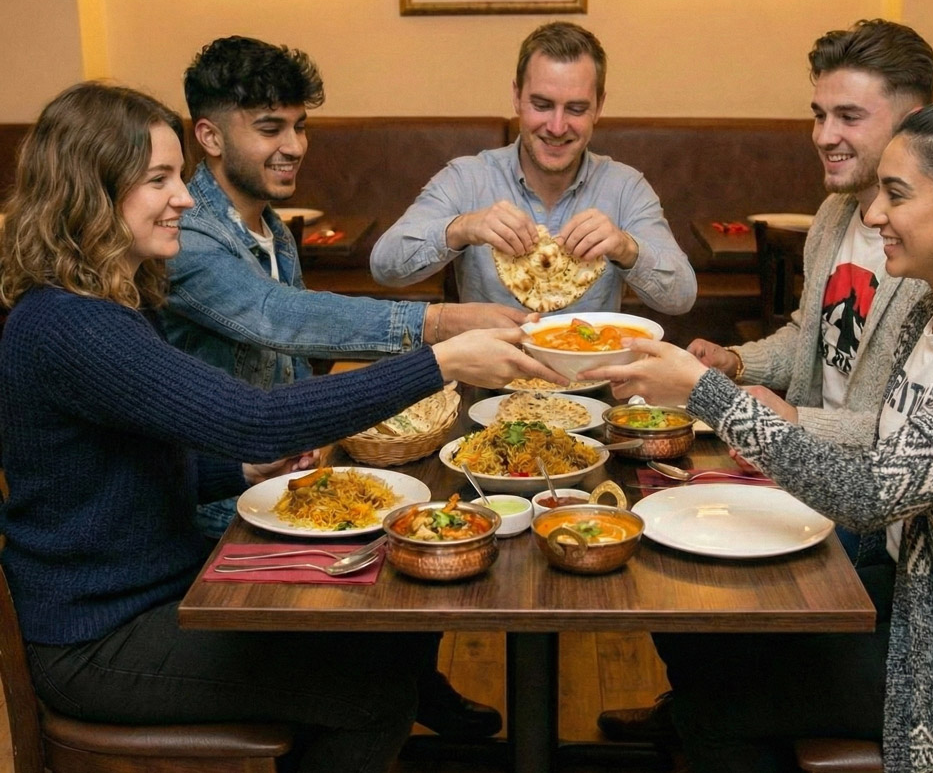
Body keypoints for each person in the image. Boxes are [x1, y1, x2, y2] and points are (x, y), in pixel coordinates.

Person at [0, 82, 563, 773]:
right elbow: (255, 420)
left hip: (158, 592)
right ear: (90, 192)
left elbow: (123, 466)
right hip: (98, 639)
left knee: (385, 632)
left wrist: (238, 471)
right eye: (158, 180)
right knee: (374, 692)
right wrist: (439, 360)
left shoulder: (105, 304)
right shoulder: (72, 324)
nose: (184, 198)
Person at [581, 83, 933, 773]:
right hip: (897, 583)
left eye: (897, 195)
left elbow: (873, 491)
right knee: (696, 626)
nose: (874, 214)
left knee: (711, 706)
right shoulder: (927, 313)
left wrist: (708, 394)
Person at [162, 35, 518, 737]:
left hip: (284, 482)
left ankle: (409, 681)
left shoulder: (269, 227)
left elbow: (293, 359)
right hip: (218, 513)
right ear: (209, 136)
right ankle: (384, 695)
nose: (294, 146)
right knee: (419, 542)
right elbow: (279, 318)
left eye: (300, 127)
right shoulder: (190, 238)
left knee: (432, 508)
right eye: (271, 128)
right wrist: (439, 322)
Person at [599, 17, 933, 744]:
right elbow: (808, 338)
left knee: (698, 586)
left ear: (913, 121)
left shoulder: (931, 247)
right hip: (799, 466)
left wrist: (785, 419)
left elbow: (907, 440)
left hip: (865, 506)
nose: (824, 135)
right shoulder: (836, 215)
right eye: (819, 114)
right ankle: (702, 705)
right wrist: (735, 363)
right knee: (653, 537)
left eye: (849, 117)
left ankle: (715, 716)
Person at [370, 21, 697, 316]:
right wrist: (462, 228)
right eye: (542, 105)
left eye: (576, 109)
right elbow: (384, 267)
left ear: (599, 107)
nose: (557, 126)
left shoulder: (626, 188)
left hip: (589, 363)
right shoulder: (467, 178)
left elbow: (682, 297)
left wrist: (626, 248)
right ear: (517, 97)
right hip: (490, 364)